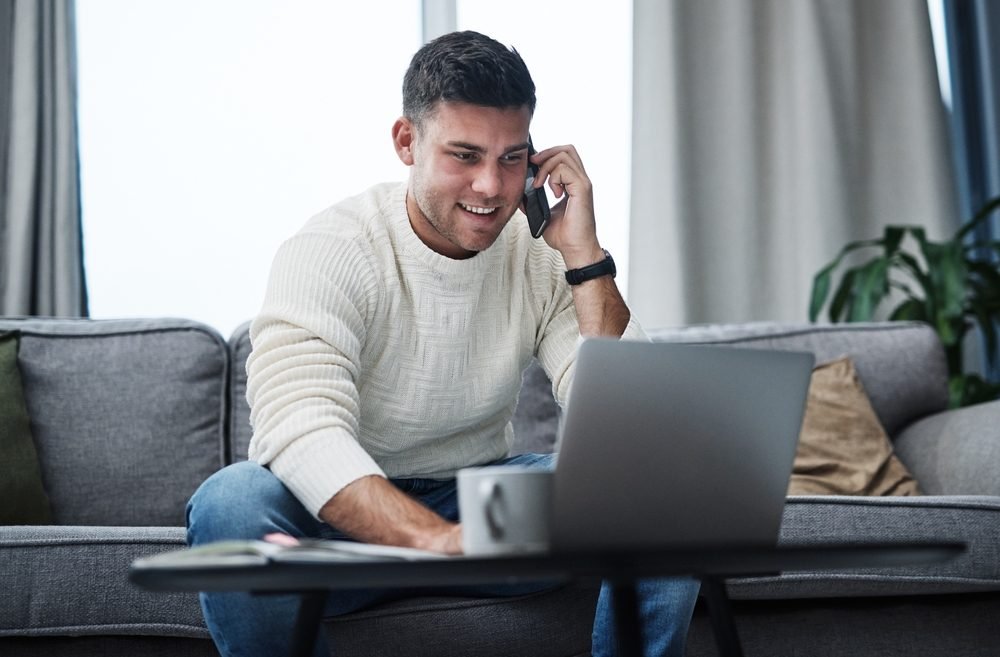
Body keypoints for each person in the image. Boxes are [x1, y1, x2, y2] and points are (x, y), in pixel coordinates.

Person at [186, 30, 700, 657]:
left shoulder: (540, 253)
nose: (491, 186)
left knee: (663, 490)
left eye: (512, 158)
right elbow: (301, 434)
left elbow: (641, 427)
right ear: (407, 142)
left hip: (482, 505)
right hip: (337, 525)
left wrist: (585, 256)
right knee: (232, 502)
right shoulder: (332, 249)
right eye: (465, 155)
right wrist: (438, 540)